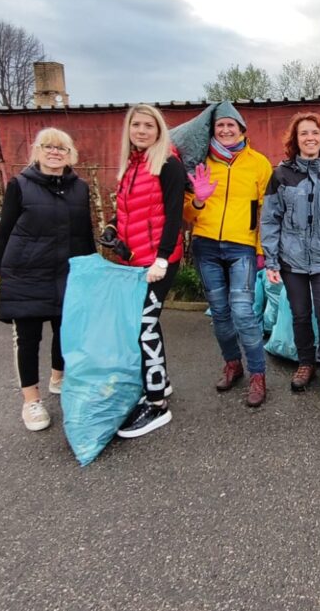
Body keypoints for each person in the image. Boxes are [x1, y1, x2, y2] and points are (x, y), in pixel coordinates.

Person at [0, 128, 95, 432]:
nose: (54, 152)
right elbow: (4, 232)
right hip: (26, 271)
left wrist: (92, 272)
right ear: (37, 151)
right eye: (48, 146)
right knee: (28, 338)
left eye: (61, 148)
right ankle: (31, 401)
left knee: (66, 331)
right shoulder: (20, 185)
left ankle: (59, 378)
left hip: (66, 272)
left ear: (70, 154)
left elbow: (84, 234)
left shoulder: (80, 188)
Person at [102, 104, 185, 438]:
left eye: (148, 125)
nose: (141, 130)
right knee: (144, 325)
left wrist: (162, 259)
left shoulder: (168, 164)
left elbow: (174, 215)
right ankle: (159, 384)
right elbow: (126, 212)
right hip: (133, 261)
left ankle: (156, 406)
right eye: (136, 125)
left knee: (144, 326)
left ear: (159, 129)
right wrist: (112, 228)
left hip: (158, 261)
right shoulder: (131, 166)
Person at [260, 112, 320, 400]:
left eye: (315, 132)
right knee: (300, 314)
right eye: (304, 133)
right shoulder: (281, 175)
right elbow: (270, 219)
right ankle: (305, 363)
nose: (310, 138)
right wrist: (272, 260)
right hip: (292, 260)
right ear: (296, 139)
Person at [184, 101, 272, 408]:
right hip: (205, 244)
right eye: (219, 125)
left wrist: (262, 249)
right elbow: (186, 215)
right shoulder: (200, 161)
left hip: (241, 247)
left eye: (230, 125)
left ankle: (258, 375)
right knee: (220, 314)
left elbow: (267, 211)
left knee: (244, 312)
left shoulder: (259, 163)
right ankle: (232, 363)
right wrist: (196, 201)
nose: (224, 130)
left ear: (242, 130)